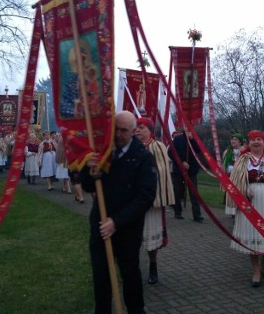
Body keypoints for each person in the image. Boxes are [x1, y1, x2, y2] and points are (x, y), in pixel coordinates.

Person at [81, 111, 157, 314]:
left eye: (124, 130)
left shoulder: (143, 157)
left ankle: (136, 309)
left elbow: (146, 196)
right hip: (100, 224)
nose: (118, 134)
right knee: (101, 275)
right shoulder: (103, 151)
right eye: (115, 129)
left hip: (127, 228)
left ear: (133, 132)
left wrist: (117, 222)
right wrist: (88, 169)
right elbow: (88, 186)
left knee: (130, 273)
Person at [227, 130, 264, 288]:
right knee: (252, 232)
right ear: (249, 143)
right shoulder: (242, 160)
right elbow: (234, 181)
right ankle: (255, 270)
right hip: (250, 202)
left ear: (263, 142)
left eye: (259, 139)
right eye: (253, 139)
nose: (256, 142)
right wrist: (244, 188)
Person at [135, 117, 175, 284]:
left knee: (151, 239)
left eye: (141, 127)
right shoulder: (130, 146)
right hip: (133, 201)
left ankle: (153, 266)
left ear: (150, 129)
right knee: (132, 238)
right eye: (135, 127)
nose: (137, 130)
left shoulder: (157, 146)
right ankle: (132, 269)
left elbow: (162, 171)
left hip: (151, 200)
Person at [169, 127, 203, 222]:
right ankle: (178, 211)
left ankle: (197, 214)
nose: (188, 131)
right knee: (178, 191)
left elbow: (198, 150)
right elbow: (171, 152)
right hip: (179, 170)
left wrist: (192, 139)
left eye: (190, 129)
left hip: (191, 170)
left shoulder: (194, 139)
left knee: (194, 193)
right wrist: (181, 162)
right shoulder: (178, 139)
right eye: (187, 129)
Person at [222, 132, 246, 216]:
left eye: (235, 139)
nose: (233, 141)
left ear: (240, 142)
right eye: (232, 139)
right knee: (231, 194)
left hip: (240, 176)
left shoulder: (244, 151)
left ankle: (240, 210)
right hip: (230, 175)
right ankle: (232, 212)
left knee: (239, 193)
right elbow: (224, 163)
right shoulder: (227, 151)